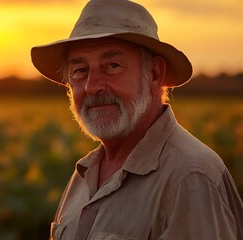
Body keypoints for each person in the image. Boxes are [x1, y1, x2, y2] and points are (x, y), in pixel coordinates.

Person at [30, 0, 243, 239]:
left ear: (154, 74)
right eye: (80, 70)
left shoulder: (190, 177)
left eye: (112, 66)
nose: (92, 87)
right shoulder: (84, 174)